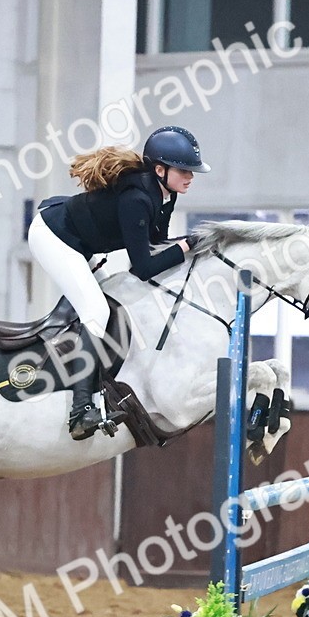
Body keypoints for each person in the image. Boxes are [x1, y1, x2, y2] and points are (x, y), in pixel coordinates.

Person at [31, 125, 210, 440]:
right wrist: (184, 247)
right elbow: (142, 267)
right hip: (54, 237)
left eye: (191, 171)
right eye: (184, 170)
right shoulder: (136, 199)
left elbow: (156, 246)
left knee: (107, 304)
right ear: (160, 170)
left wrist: (186, 249)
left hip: (78, 241)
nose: (190, 177)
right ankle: (80, 412)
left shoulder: (165, 195)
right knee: (97, 312)